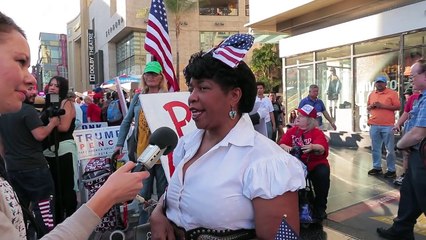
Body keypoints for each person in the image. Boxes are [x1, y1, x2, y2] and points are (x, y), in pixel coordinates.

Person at [0, 11, 149, 239]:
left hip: (62, 153)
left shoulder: (66, 104)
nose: (32, 79)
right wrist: (106, 197)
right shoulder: (29, 109)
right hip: (43, 156)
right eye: (20, 62)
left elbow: (59, 129)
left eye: (54, 85)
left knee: (62, 193)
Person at [150, 35, 306, 239]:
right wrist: (158, 212)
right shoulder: (188, 143)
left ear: (234, 96)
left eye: (203, 88)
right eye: (192, 88)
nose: (191, 97)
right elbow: (179, 192)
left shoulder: (266, 161)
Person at [0, 81, 59, 236]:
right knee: (44, 209)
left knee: (21, 210)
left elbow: (2, 146)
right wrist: (52, 123)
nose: (34, 92)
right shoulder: (27, 110)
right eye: (30, 89)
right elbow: (39, 135)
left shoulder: (4, 112)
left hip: (13, 168)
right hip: (35, 168)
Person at [376, 59, 426, 240]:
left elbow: (418, 134)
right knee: (409, 193)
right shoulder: (421, 97)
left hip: (422, 156)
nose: (410, 79)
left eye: (413, 76)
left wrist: (399, 145)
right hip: (416, 154)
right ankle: (401, 229)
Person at [115, 61, 169, 224]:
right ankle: (143, 227)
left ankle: (163, 224)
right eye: (148, 74)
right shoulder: (138, 98)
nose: (151, 77)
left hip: (162, 152)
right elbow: (126, 121)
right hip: (143, 152)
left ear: (161, 77)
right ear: (144, 77)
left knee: (163, 193)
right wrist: (119, 143)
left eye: (154, 74)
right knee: (142, 193)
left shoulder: (166, 96)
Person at [279, 104, 331, 222]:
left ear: (309, 120)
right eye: (298, 115)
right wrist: (286, 147)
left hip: (314, 163)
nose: (297, 118)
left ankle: (320, 208)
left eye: (301, 116)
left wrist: (313, 146)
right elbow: (281, 143)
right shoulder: (292, 131)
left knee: (322, 174)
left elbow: (322, 147)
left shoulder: (316, 132)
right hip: (296, 165)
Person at [41, 76, 79, 224]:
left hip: (64, 149)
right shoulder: (48, 102)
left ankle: (71, 223)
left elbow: (63, 127)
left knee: (67, 188)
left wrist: (50, 123)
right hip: (48, 151)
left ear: (62, 88)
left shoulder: (66, 103)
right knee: (54, 189)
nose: (52, 88)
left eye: (56, 86)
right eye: (51, 85)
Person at [366, 75, 401, 178]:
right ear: (375, 83)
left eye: (381, 82)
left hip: (388, 125)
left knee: (389, 149)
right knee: (375, 148)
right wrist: (371, 106)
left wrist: (382, 106)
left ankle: (391, 170)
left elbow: (398, 107)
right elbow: (368, 107)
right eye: (377, 82)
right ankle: (377, 167)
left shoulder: (392, 93)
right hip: (374, 124)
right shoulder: (372, 94)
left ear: (385, 83)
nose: (379, 84)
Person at [392, 86, 420, 185]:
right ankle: (406, 175)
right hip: (410, 130)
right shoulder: (413, 98)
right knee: (406, 154)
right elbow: (406, 112)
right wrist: (398, 123)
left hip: (419, 132)